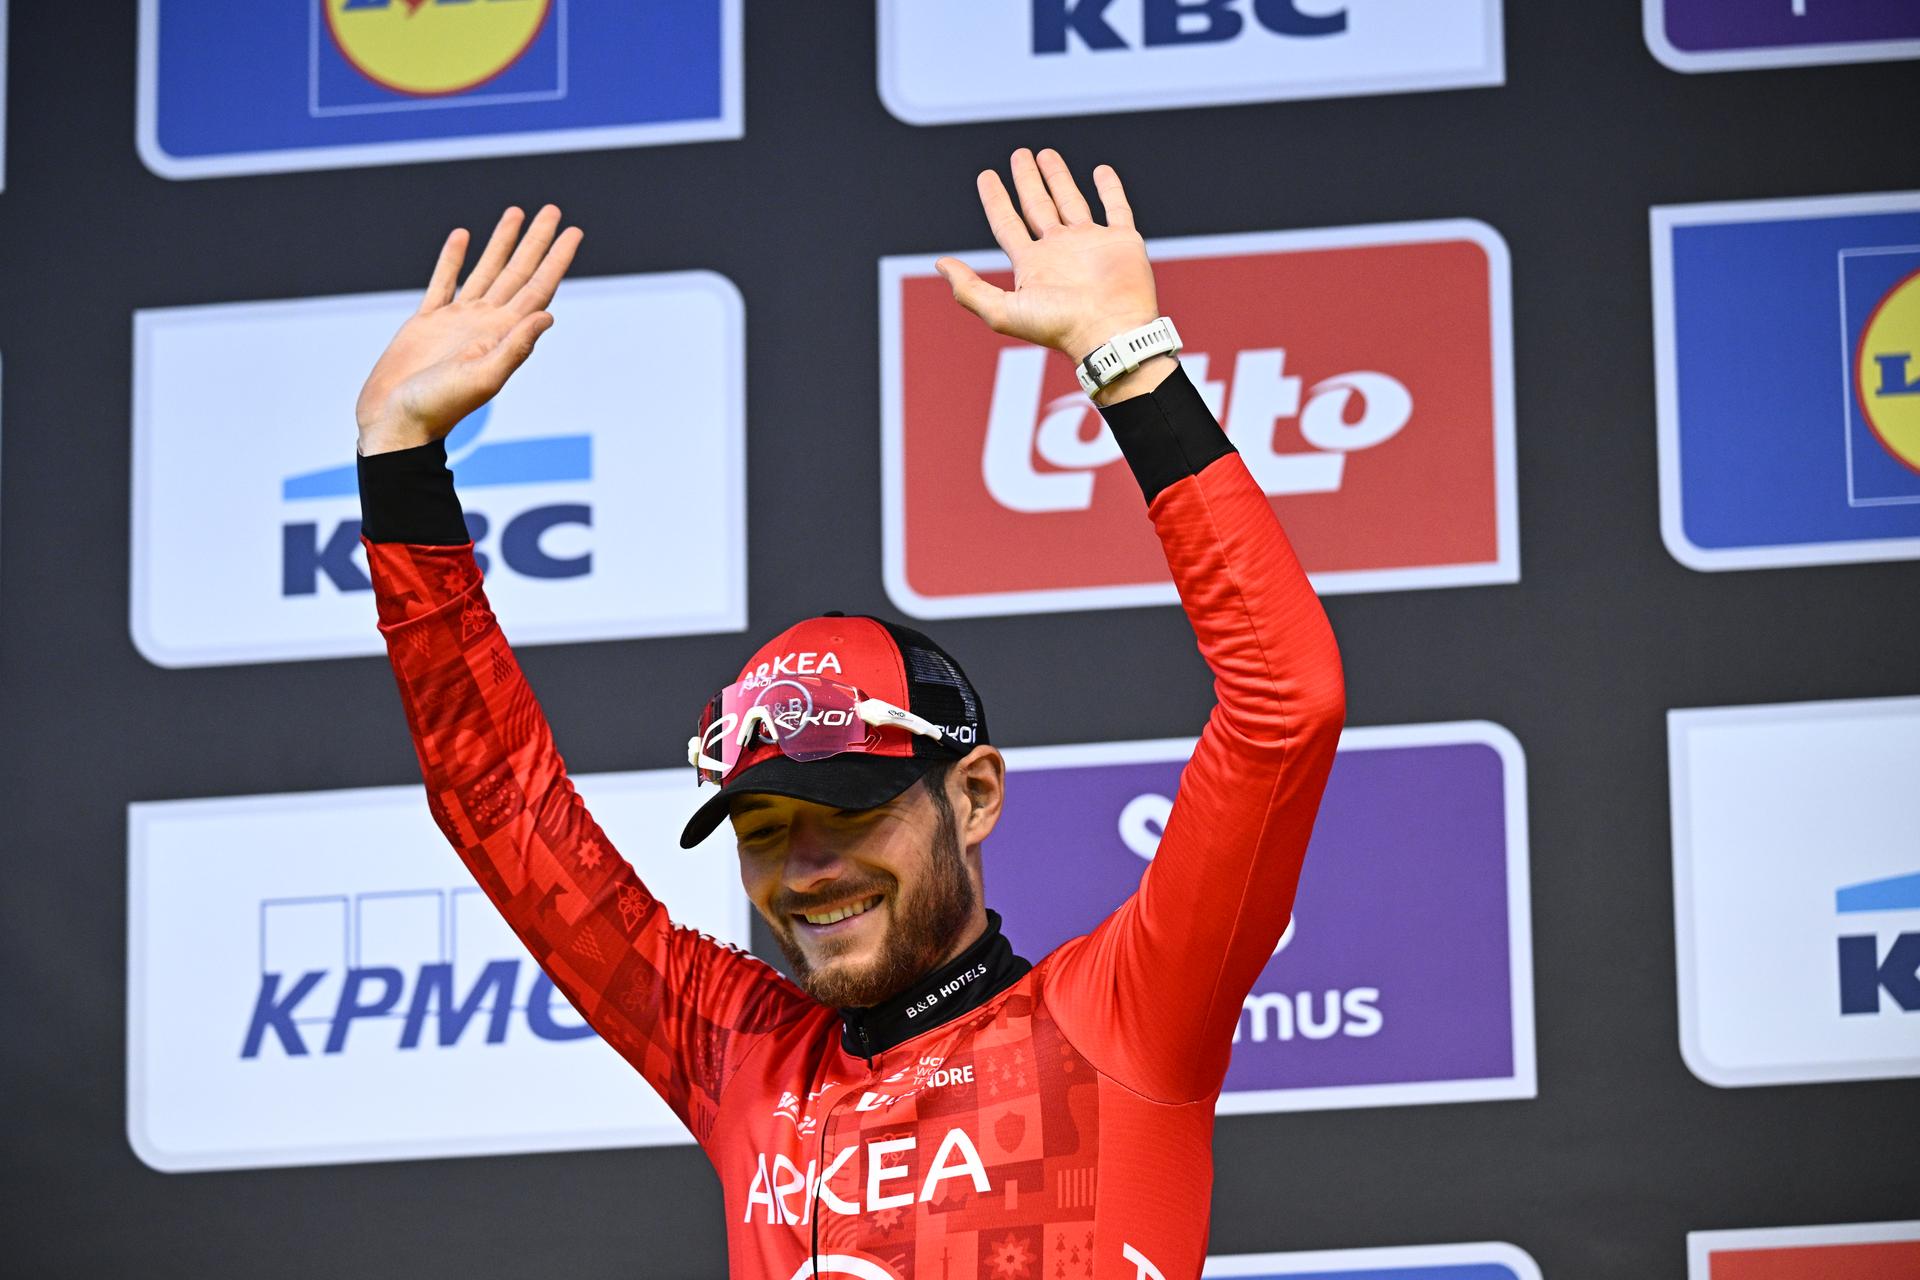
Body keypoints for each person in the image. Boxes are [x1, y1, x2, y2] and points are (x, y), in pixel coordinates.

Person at [354, 148, 1344, 1280]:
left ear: (974, 794)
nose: (808, 868)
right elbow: (500, 805)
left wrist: (1131, 367)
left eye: (850, 808)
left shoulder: (1121, 1015)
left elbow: (1286, 704)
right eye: (764, 826)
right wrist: (401, 461)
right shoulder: (740, 1055)